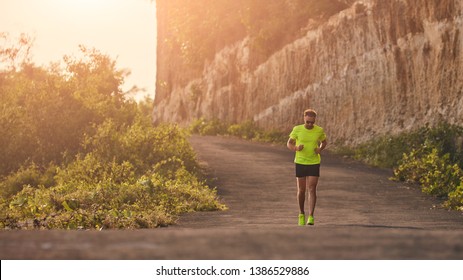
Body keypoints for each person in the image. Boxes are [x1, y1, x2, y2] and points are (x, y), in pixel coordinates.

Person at [287, 109, 327, 226]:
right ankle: (301, 214)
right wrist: (296, 148)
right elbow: (289, 143)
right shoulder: (297, 129)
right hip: (300, 162)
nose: (310, 124)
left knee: (312, 188)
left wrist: (320, 149)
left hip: (314, 162)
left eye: (312, 122)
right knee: (301, 190)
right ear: (304, 118)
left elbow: (324, 142)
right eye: (308, 122)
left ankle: (311, 216)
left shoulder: (319, 130)